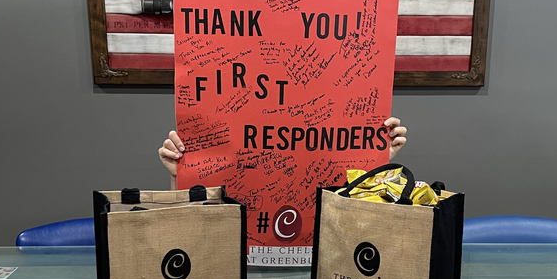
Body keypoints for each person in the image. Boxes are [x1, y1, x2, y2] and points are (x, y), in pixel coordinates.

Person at [159, 117, 409, 190]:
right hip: (237, 265)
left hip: (321, 265)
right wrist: (180, 176)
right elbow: (188, 227)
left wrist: (374, 161)